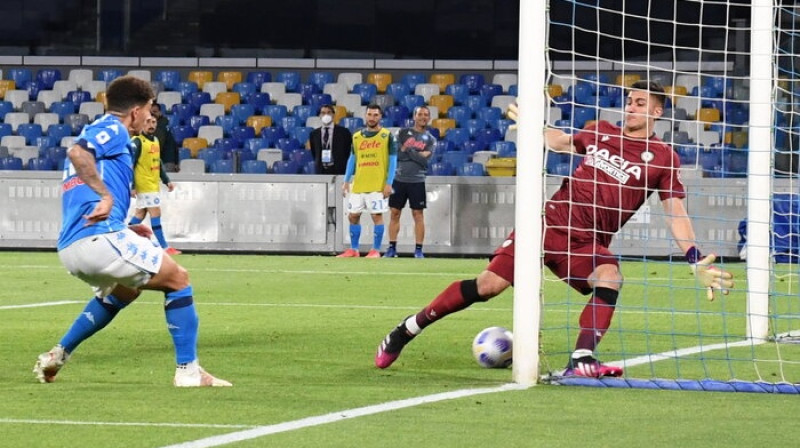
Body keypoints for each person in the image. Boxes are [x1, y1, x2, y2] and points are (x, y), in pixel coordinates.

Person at [374, 80, 734, 377]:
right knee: (488, 286)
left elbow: (676, 212)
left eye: (640, 103)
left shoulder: (664, 158)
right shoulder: (600, 133)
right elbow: (559, 141)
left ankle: (580, 359)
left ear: (657, 112)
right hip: (547, 226)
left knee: (610, 274)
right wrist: (533, 125)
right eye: (629, 100)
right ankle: (406, 330)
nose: (631, 107)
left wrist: (694, 258)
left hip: (584, 244)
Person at [33, 75, 231, 387]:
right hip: (98, 240)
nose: (151, 116)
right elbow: (77, 154)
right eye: (150, 109)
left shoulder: (99, 135)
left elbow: (83, 175)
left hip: (74, 248)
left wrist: (124, 226)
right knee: (178, 279)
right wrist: (107, 196)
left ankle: (58, 353)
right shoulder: (112, 128)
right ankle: (188, 371)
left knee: (126, 290)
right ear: (136, 110)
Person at [337, 104, 398, 258]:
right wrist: (346, 180)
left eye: (375, 115)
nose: (372, 118)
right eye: (369, 115)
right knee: (353, 216)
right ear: (365, 116)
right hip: (358, 184)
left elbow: (393, 160)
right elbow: (352, 158)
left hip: (377, 184)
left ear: (380, 117)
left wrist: (389, 183)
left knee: (376, 216)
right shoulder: (357, 136)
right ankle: (354, 249)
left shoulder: (387, 136)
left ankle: (376, 250)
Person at [384, 105, 435, 258]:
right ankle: (392, 248)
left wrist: (408, 150)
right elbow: (397, 155)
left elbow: (425, 160)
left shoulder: (430, 139)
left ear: (429, 118)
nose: (423, 117)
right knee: (394, 213)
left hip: (417, 180)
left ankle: (418, 250)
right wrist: (417, 154)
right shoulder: (402, 133)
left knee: (418, 214)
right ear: (414, 116)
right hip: (399, 179)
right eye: (420, 114)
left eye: (426, 115)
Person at [129, 115, 181, 256]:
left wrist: (166, 180)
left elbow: (158, 163)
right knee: (155, 212)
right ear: (142, 124)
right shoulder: (137, 142)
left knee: (140, 214)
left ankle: (123, 238)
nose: (151, 124)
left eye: (153, 122)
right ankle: (164, 247)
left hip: (152, 184)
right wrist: (132, 185)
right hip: (143, 184)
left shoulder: (156, 140)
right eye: (147, 122)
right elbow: (130, 164)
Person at [308, 104, 353, 175]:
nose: (326, 115)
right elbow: (314, 152)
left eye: (329, 112)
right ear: (319, 116)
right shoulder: (314, 134)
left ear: (333, 115)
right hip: (321, 170)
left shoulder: (344, 132)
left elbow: (347, 151)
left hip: (339, 169)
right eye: (323, 113)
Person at [150, 103, 179, 173]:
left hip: (165, 161)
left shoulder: (161, 126)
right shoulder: (165, 124)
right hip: (168, 160)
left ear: (160, 112)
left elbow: (159, 144)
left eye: (154, 112)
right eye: (150, 112)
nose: (152, 114)